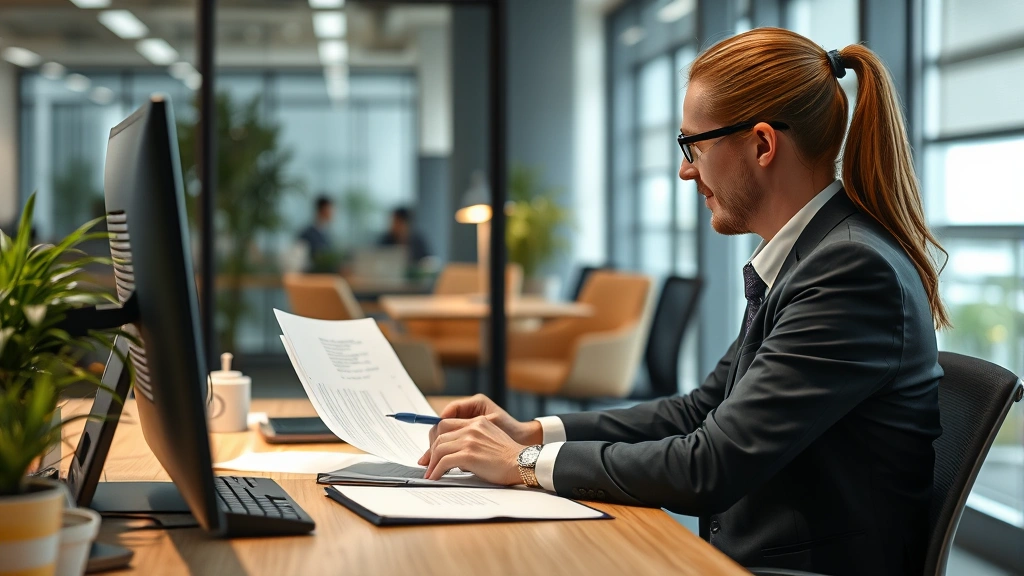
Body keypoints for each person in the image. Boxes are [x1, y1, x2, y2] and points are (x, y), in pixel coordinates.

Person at [416, 27, 950, 575]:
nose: (685, 170)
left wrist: (525, 464)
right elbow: (699, 411)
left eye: (693, 145)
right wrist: (533, 433)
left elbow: (710, 466)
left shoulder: (849, 271)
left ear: (763, 144)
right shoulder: (808, 257)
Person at [297, 195, 336, 272]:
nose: (333, 213)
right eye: (330, 209)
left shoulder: (327, 235)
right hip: (312, 277)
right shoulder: (307, 234)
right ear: (323, 210)